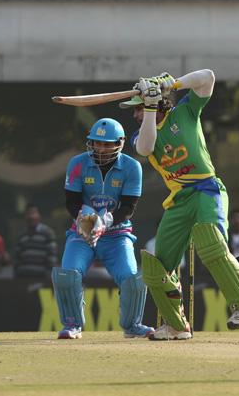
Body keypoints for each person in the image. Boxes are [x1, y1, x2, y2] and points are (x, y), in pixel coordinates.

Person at [120, 69, 239, 340]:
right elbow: (146, 149)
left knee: (211, 245)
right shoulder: (143, 133)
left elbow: (207, 77)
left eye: (138, 110)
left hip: (207, 190)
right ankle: (175, 325)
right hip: (179, 199)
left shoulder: (185, 111)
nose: (136, 115)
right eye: (137, 112)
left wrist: (171, 84)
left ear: (160, 103)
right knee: (158, 265)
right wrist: (149, 107)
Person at [53, 117, 154, 340]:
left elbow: (128, 207)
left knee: (131, 278)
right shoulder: (78, 163)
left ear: (120, 142)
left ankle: (133, 325)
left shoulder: (131, 166)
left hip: (117, 234)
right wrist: (85, 221)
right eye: (97, 143)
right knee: (68, 274)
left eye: (107, 144)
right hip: (82, 233)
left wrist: (106, 221)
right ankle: (72, 324)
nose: (101, 148)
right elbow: (71, 201)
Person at [14, 204, 58, 278]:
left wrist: (48, 276)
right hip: (23, 279)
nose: (31, 216)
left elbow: (52, 258)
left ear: (39, 215)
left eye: (33, 213)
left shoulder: (47, 233)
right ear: (25, 216)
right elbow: (17, 260)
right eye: (28, 213)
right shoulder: (21, 236)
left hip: (42, 279)